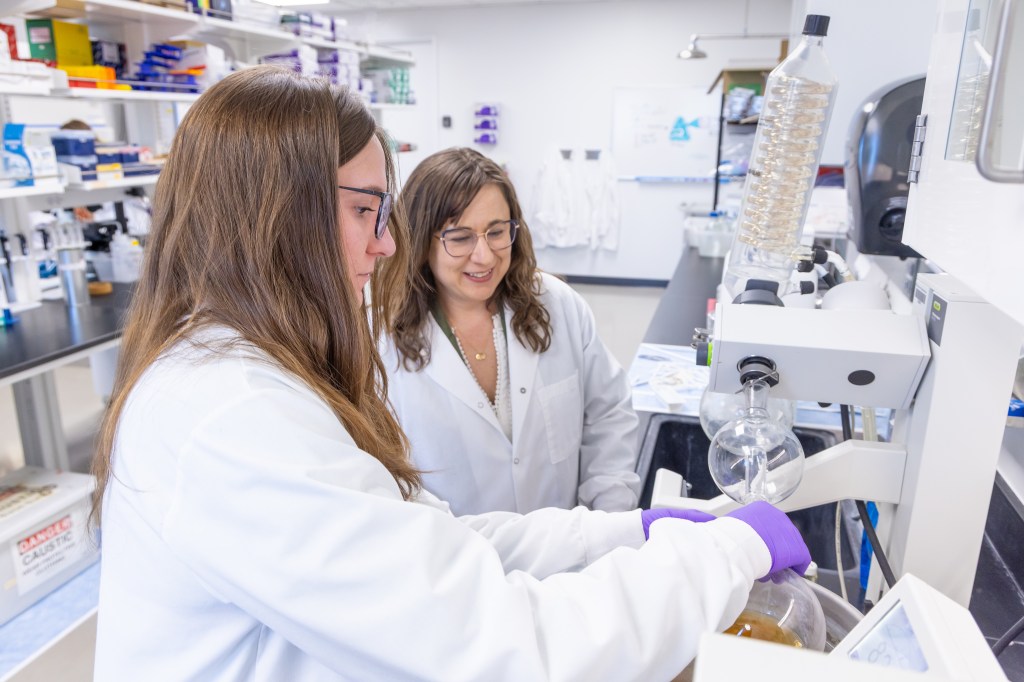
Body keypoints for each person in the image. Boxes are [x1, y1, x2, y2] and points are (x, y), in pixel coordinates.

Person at [91, 66, 812, 681]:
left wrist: (627, 530)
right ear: (275, 214)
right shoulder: (235, 415)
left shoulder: (256, 374)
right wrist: (724, 551)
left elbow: (443, 540)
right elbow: (502, 644)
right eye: (366, 210)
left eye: (497, 232)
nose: (385, 244)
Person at [377, 147, 640, 515]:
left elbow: (609, 414)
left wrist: (608, 517)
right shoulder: (381, 343)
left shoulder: (558, 305)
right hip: (458, 548)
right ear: (420, 241)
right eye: (460, 237)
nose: (484, 256)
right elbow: (386, 480)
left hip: (570, 544)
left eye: (497, 231)